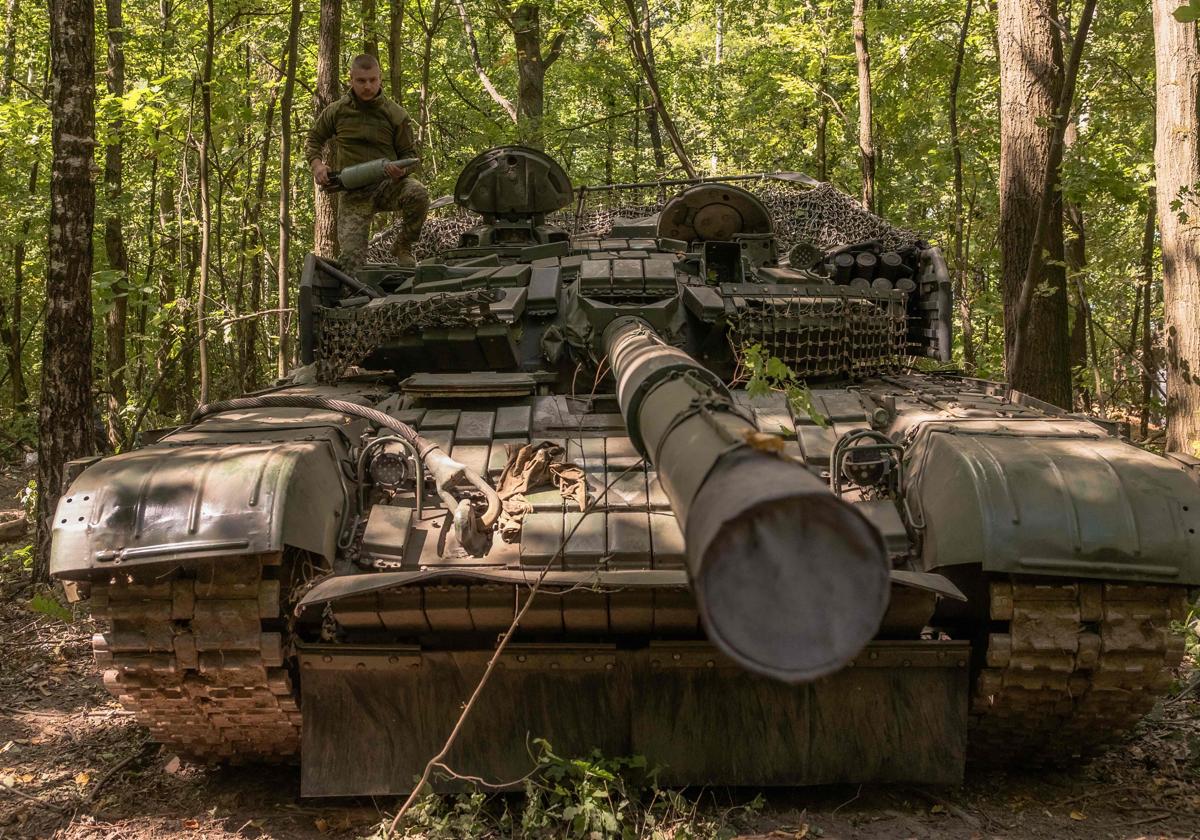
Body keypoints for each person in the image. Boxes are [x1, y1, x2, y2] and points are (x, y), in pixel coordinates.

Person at [304, 54, 430, 272]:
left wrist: (401, 171)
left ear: (380, 79)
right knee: (351, 261)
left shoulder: (395, 114)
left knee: (418, 193)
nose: (367, 86)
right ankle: (354, 300)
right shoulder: (337, 111)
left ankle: (402, 246)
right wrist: (318, 165)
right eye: (361, 81)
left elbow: (410, 155)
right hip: (354, 192)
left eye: (373, 80)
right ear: (351, 79)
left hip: (387, 186)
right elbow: (314, 139)